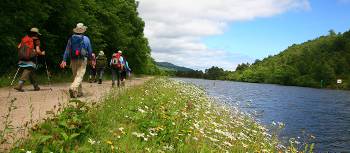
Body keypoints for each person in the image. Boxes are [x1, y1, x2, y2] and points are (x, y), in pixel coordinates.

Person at [60, 23, 93, 98]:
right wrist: (91, 60)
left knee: (76, 76)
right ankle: (73, 88)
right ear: (83, 31)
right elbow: (90, 51)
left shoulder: (71, 39)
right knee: (79, 76)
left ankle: (79, 92)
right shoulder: (86, 39)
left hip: (73, 59)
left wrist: (64, 60)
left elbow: (67, 50)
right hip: (82, 59)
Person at [14, 28, 46, 92]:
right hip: (31, 58)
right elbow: (37, 50)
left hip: (23, 57)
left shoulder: (24, 38)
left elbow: (18, 47)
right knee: (28, 69)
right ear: (36, 34)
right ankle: (19, 85)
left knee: (32, 72)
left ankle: (36, 86)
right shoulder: (36, 40)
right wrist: (42, 53)